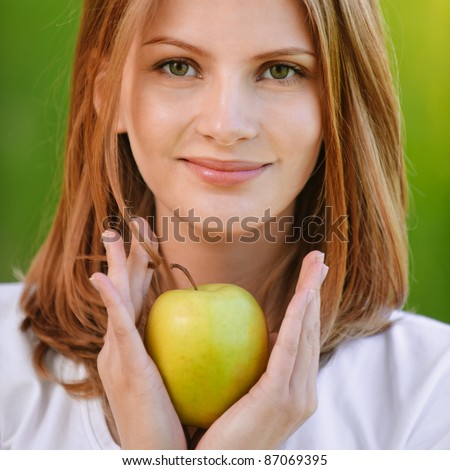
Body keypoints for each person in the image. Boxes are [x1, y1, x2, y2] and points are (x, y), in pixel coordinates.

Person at [1, 0, 449, 450]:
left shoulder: (431, 392)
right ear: (109, 92)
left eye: (279, 70)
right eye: (178, 66)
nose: (226, 125)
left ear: (341, 106)